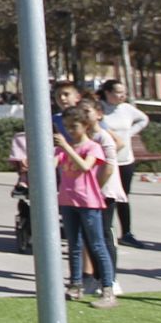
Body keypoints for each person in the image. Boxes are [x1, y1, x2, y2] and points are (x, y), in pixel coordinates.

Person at [55, 105, 118, 307]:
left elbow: (85, 167)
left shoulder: (92, 147)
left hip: (88, 202)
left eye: (74, 126)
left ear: (85, 125)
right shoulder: (65, 148)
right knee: (74, 245)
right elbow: (52, 163)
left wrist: (66, 148)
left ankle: (108, 290)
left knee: (97, 245)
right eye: (66, 127)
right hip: (67, 200)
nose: (70, 131)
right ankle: (75, 285)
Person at [99, 79, 149, 247]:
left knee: (123, 197)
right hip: (106, 160)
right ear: (107, 93)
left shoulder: (127, 109)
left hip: (125, 159)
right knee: (107, 197)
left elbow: (144, 119)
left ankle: (127, 233)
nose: (122, 96)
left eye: (123, 92)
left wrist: (128, 134)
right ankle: (106, 231)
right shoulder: (99, 109)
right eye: (118, 92)